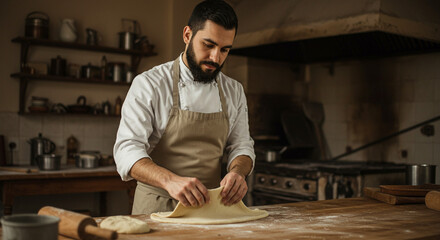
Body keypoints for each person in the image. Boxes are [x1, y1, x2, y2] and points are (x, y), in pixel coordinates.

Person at [114, 0, 255, 215]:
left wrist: (238, 172)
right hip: (157, 209)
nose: (216, 58)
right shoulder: (149, 84)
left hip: (212, 209)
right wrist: (169, 180)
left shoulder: (233, 90)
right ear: (187, 35)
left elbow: (242, 145)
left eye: (225, 49)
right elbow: (126, 150)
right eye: (208, 45)